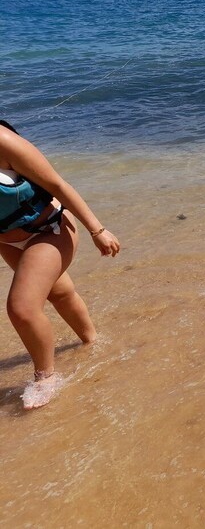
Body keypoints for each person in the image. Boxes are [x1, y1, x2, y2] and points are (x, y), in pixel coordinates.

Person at [0, 120, 120, 410]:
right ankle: (92, 342)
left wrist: (97, 230)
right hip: (6, 240)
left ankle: (45, 377)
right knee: (60, 293)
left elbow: (57, 184)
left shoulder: (3, 141)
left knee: (22, 307)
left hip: (49, 230)